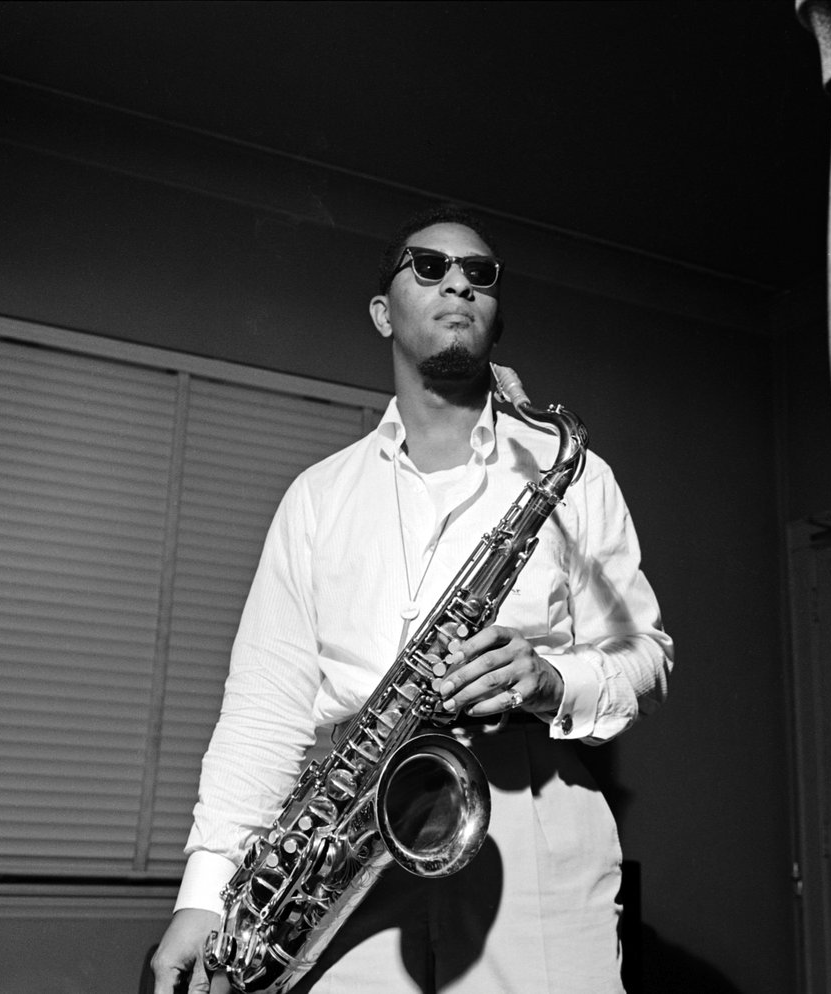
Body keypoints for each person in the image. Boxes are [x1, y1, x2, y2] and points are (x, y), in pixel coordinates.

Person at [151, 204, 673, 994]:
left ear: (496, 316)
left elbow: (646, 657)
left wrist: (552, 681)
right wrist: (204, 890)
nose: (458, 281)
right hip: (348, 847)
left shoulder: (577, 475)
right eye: (428, 267)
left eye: (480, 274)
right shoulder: (318, 497)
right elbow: (265, 704)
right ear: (381, 312)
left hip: (533, 842)